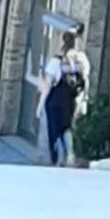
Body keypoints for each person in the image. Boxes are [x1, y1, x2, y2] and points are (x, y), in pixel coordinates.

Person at [41, 27, 87, 168]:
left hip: (55, 98)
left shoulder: (57, 60)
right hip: (70, 99)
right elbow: (85, 80)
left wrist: (40, 103)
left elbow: (48, 84)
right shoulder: (81, 59)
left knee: (54, 129)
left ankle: (57, 157)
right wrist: (84, 99)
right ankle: (70, 153)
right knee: (66, 127)